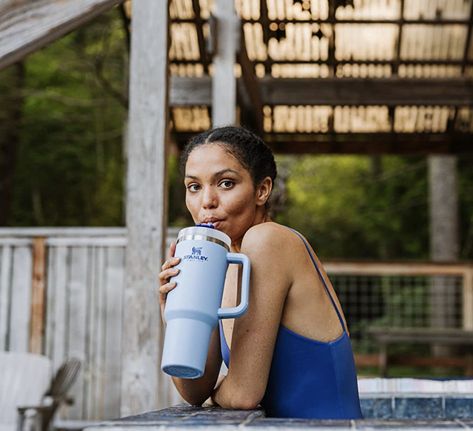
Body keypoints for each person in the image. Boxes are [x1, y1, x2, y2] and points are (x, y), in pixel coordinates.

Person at [158, 126, 362, 419]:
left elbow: (242, 395)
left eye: (226, 183)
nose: (207, 201)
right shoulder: (224, 266)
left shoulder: (269, 240)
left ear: (262, 190)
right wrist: (177, 316)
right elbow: (194, 390)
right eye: (194, 186)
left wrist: (219, 392)